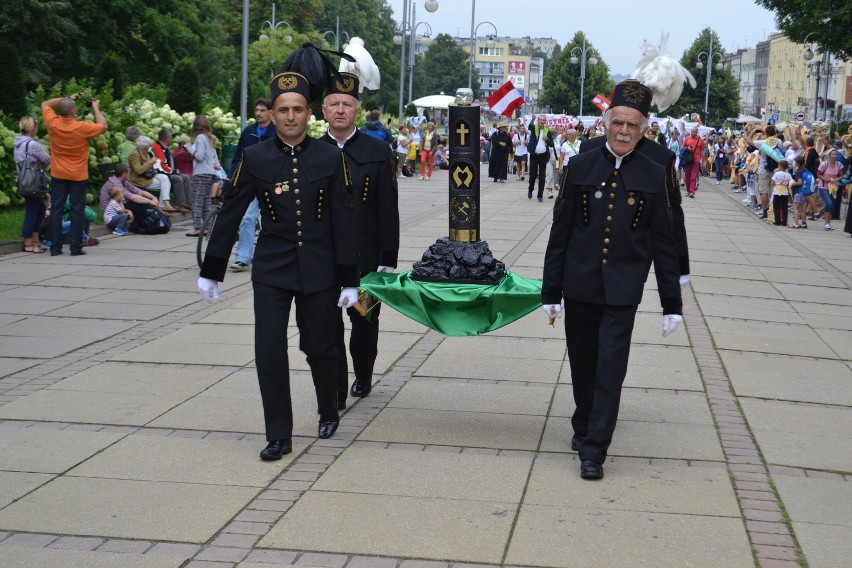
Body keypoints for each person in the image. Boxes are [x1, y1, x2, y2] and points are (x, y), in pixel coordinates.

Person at [197, 44, 360, 460]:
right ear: (272, 112)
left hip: (320, 269)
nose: (290, 116)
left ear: (310, 114)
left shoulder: (329, 156)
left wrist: (349, 280)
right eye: (283, 109)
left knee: (320, 346)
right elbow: (232, 212)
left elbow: (344, 223)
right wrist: (212, 268)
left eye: (298, 109)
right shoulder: (254, 157)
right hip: (272, 267)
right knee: (268, 348)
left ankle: (328, 406)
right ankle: (279, 434)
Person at [543, 80, 683, 481]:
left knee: (611, 367)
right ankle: (584, 420)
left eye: (633, 125)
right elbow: (560, 232)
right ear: (606, 123)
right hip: (580, 283)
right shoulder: (580, 166)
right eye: (618, 122)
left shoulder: (656, 174)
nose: (624, 131)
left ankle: (595, 449)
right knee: (583, 363)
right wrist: (550, 289)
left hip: (623, 290)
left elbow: (665, 242)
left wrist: (671, 302)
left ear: (644, 128)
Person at [320, 71, 400, 405]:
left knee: (364, 321)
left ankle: (363, 374)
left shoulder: (377, 150)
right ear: (323, 110)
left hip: (366, 257)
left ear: (357, 111)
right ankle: (336, 387)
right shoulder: (312, 151)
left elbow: (387, 207)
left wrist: (387, 257)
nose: (340, 110)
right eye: (334, 104)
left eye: (347, 104)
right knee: (326, 327)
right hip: (322, 257)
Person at [41, 92, 108, 256]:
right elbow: (103, 126)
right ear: (72, 112)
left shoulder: (53, 123)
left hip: (58, 174)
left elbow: (45, 104)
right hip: (78, 175)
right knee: (77, 210)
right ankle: (75, 247)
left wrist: (67, 100)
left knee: (56, 210)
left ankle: (55, 248)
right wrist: (96, 107)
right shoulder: (82, 127)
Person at [229, 99, 276, 271]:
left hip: (271, 183)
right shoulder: (248, 132)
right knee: (247, 218)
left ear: (270, 112)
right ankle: (243, 257)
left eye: (262, 110)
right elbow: (238, 156)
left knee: (271, 220)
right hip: (250, 182)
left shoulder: (275, 132)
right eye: (257, 110)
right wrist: (233, 176)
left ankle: (268, 254)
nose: (258, 113)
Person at [14, 116, 52, 253]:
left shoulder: (18, 143)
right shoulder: (32, 144)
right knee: (32, 212)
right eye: (35, 127)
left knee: (40, 210)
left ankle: (36, 240)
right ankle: (28, 243)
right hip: (33, 183)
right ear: (32, 128)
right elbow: (47, 159)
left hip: (24, 182)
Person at [186, 115, 219, 237]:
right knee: (206, 201)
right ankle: (207, 227)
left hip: (201, 173)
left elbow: (199, 156)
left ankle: (197, 228)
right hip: (210, 173)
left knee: (197, 202)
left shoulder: (200, 138)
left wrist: (189, 149)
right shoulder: (210, 138)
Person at [128, 136, 174, 212]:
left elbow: (148, 167)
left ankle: (165, 204)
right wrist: (150, 162)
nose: (149, 147)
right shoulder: (134, 155)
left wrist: (155, 163)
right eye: (148, 145)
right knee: (164, 185)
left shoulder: (145, 153)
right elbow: (138, 171)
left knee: (164, 177)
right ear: (144, 146)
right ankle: (161, 206)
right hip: (139, 179)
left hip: (147, 176)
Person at [152, 128, 192, 212]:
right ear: (166, 138)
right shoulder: (157, 147)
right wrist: (173, 171)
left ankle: (188, 203)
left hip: (168, 171)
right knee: (178, 179)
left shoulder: (165, 147)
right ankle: (179, 204)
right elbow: (161, 164)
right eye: (170, 137)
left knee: (186, 177)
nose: (171, 139)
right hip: (161, 173)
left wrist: (174, 170)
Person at [527, 114, 555, 202]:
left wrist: (547, 139)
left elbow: (552, 144)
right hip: (534, 155)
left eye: (543, 120)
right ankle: (530, 189)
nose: (542, 121)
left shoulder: (547, 131)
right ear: (538, 121)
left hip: (543, 156)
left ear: (545, 121)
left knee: (542, 177)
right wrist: (532, 119)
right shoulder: (534, 128)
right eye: (540, 120)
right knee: (533, 175)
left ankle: (540, 195)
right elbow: (530, 126)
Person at [817, 148, 843, 231]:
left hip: (833, 187)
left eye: (836, 154)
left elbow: (841, 175)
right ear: (829, 155)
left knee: (832, 205)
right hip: (823, 186)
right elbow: (818, 174)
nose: (835, 156)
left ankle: (828, 223)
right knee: (829, 203)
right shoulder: (824, 164)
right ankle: (826, 222)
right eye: (833, 154)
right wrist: (825, 179)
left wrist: (836, 179)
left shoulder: (839, 164)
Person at [682, 126, 703, 198]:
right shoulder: (687, 138)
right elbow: (682, 147)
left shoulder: (701, 140)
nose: (692, 133)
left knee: (693, 177)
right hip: (688, 160)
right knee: (687, 176)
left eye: (693, 132)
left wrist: (702, 160)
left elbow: (702, 150)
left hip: (696, 160)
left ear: (697, 132)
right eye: (691, 131)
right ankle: (688, 191)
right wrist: (687, 148)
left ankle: (692, 192)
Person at [770, 160, 792, 227]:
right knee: (784, 207)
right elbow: (790, 182)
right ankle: (784, 221)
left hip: (777, 191)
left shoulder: (777, 173)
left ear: (780, 166)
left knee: (776, 206)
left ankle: (777, 220)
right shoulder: (788, 174)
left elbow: (772, 182)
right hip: (784, 191)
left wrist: (775, 187)